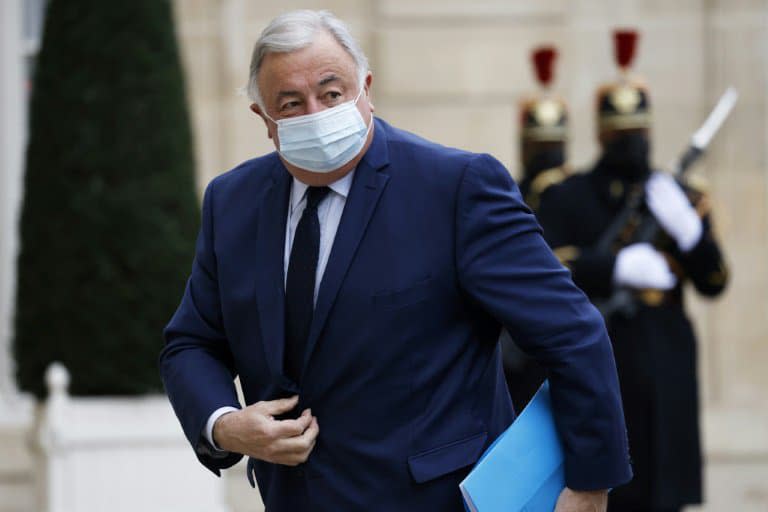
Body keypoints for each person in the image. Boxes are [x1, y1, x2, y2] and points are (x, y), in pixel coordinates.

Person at [160, 10, 632, 511]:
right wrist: (224, 425)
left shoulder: (456, 188)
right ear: (265, 120)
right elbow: (191, 342)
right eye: (291, 103)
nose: (316, 113)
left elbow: (572, 334)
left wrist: (588, 485)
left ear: (366, 88)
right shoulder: (232, 203)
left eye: (332, 93)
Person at [537, 30, 728, 512]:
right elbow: (547, 269)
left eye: (638, 132)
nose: (631, 143)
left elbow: (715, 281)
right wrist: (614, 266)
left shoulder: (678, 196)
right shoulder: (566, 195)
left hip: (666, 361)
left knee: (664, 490)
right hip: (604, 359)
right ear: (600, 133)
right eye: (622, 134)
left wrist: (691, 236)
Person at [502, 45, 569, 411]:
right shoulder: (511, 191)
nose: (546, 153)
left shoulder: (575, 193)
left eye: (554, 144)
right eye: (538, 144)